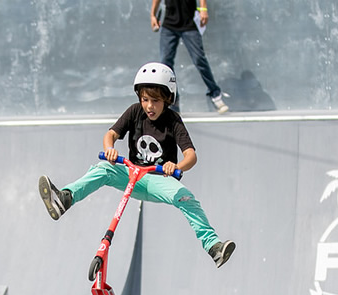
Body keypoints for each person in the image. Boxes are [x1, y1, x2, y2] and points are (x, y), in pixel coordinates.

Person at [38, 62, 235, 268]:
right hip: (133, 176)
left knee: (187, 199)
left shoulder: (173, 120)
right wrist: (109, 148)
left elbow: (191, 155)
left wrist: (177, 167)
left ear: (168, 98)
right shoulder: (134, 112)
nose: (149, 106)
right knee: (103, 168)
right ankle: (65, 199)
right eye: (145, 99)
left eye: (156, 100)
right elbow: (111, 134)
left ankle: (213, 247)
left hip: (161, 180)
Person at [150, 0, 229, 114]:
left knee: (199, 59)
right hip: (169, 26)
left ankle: (215, 94)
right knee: (166, 64)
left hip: (189, 24)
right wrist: (153, 15)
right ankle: (173, 100)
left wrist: (203, 9)